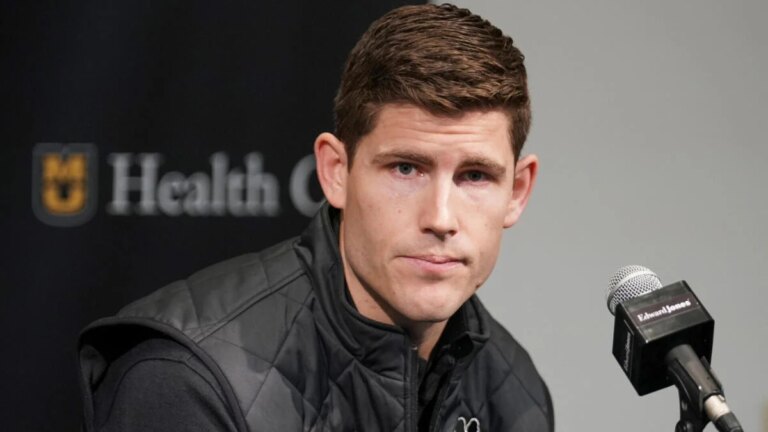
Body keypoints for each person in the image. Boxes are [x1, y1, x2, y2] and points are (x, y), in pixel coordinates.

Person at [78, 4, 553, 431]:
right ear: (335, 171)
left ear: (517, 192)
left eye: (475, 176)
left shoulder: (516, 394)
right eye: (406, 169)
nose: (441, 218)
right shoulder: (186, 380)